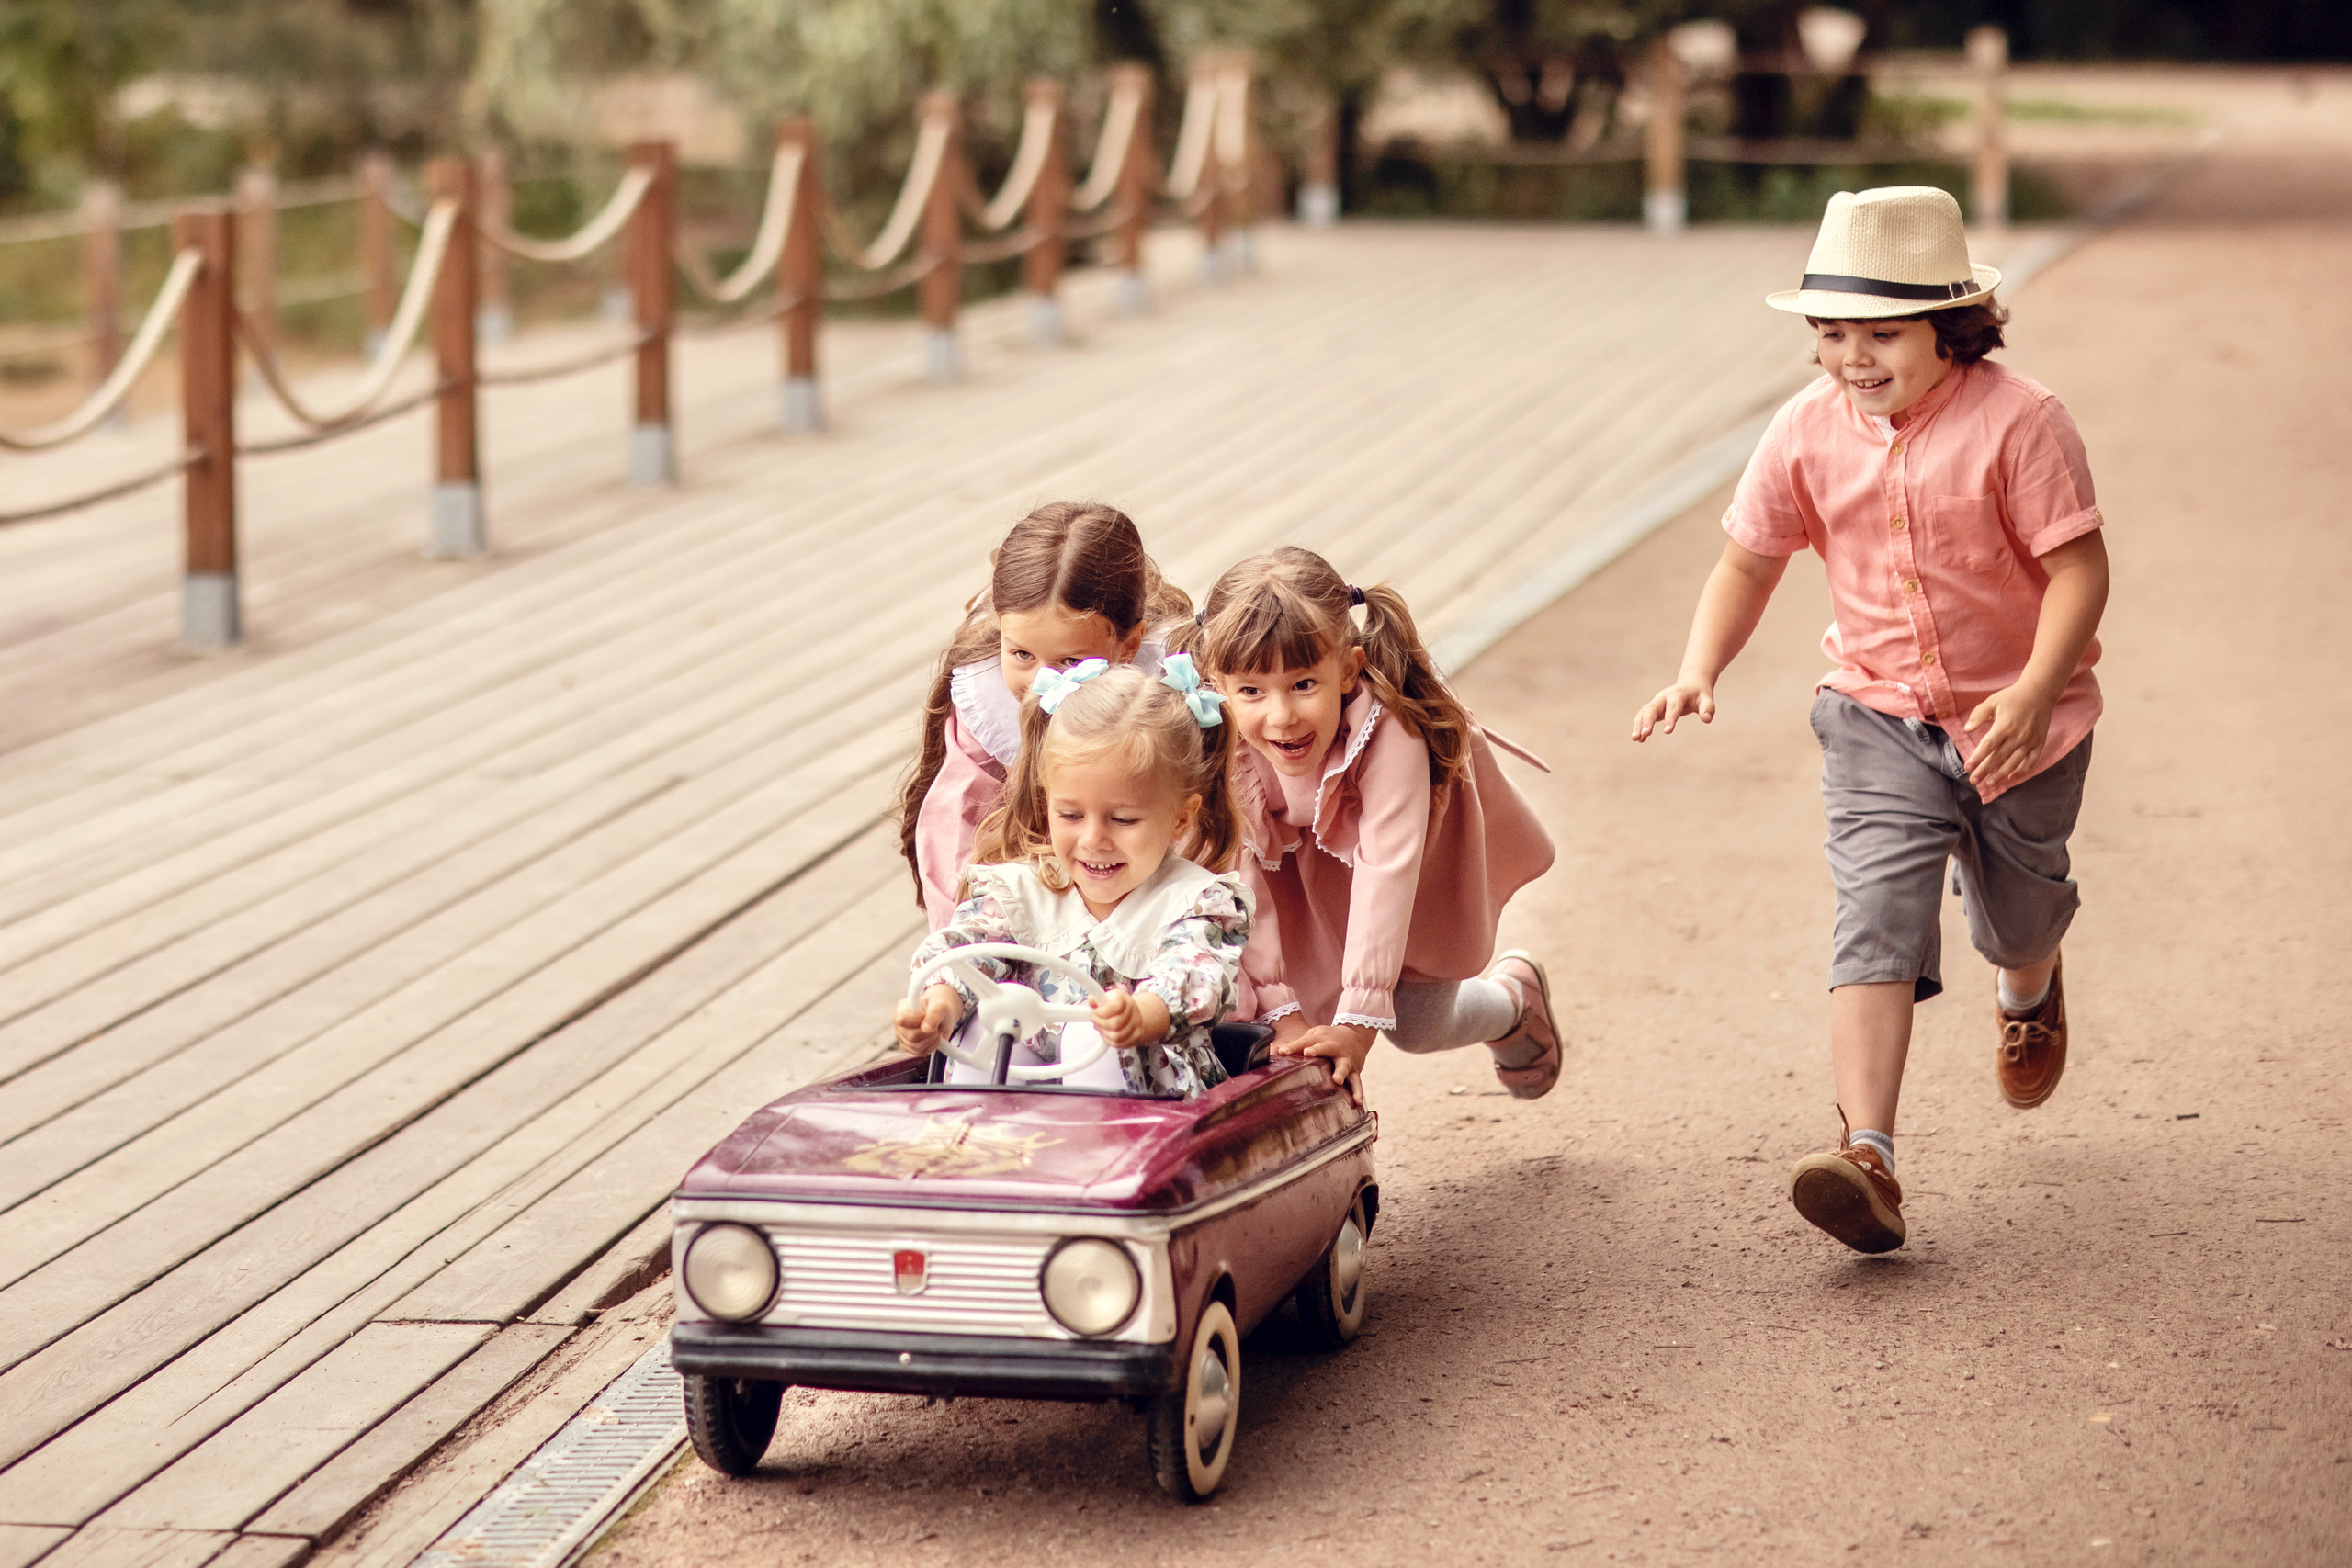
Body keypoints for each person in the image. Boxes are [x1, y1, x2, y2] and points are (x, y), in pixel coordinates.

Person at [1631, 186, 2110, 1255]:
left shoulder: (2021, 421)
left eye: (1881, 332)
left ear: (1952, 326)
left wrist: (2034, 689)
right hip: (1874, 715)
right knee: (1873, 920)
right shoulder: (1802, 431)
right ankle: (1867, 1154)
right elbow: (1746, 562)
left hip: (2020, 724)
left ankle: (2027, 991)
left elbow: (2079, 568)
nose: (1852, 356)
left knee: (2019, 915)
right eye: (1831, 330)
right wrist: (1697, 666)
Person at [1188, 547, 1560, 1104]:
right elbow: (1240, 881)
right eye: (1251, 691)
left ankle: (1513, 1002)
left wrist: (1358, 1027)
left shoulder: (1393, 736)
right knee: (1300, 1017)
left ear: (1348, 669)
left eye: (1304, 684)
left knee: (1417, 1027)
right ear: (1217, 684)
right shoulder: (1221, 741)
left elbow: (1388, 866)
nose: (1281, 715)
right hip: (1301, 866)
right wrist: (1281, 1010)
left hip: (1412, 867)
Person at [893, 658, 1250, 1098]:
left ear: (1180, 818)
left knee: (1090, 1036)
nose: (1093, 839)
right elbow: (967, 951)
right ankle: (976, 1141)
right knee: (985, 1021)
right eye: (1071, 814)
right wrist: (938, 1009)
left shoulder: (1192, 902)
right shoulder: (1019, 893)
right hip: (1029, 1100)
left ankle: (1099, 1154)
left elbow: (1194, 973)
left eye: (1122, 819)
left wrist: (1142, 1015)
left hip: (1153, 1107)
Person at [896, 501, 1193, 930]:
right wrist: (966, 946)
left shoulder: (1168, 693)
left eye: (1070, 661)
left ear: (1128, 645)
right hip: (1020, 915)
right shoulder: (988, 706)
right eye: (1021, 654)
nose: (1041, 682)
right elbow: (954, 836)